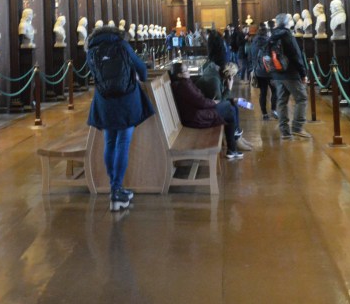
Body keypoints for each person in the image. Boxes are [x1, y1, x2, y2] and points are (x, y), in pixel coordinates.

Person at [86, 24, 154, 211]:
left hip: (104, 101)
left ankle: (115, 188)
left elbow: (94, 74)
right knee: (123, 142)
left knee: (110, 142)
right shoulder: (121, 44)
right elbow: (141, 68)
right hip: (126, 100)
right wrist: (141, 78)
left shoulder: (91, 49)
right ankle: (117, 190)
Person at [169, 62, 246, 160]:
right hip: (195, 118)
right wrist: (214, 102)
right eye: (186, 71)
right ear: (179, 75)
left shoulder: (184, 83)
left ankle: (234, 145)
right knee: (230, 111)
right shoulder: (185, 85)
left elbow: (199, 100)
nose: (189, 72)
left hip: (195, 113)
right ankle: (233, 146)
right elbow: (201, 102)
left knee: (230, 107)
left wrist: (219, 101)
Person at [192, 60, 251, 152]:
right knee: (230, 110)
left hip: (205, 105)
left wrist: (234, 99)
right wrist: (229, 88)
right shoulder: (214, 81)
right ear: (229, 76)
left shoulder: (217, 75)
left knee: (234, 105)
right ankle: (235, 142)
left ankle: (238, 137)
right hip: (201, 111)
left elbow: (219, 99)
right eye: (233, 76)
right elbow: (220, 102)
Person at [269, 13, 310, 140]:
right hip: (290, 73)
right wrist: (303, 73)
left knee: (282, 101)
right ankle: (297, 127)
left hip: (277, 73)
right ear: (287, 23)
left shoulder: (272, 35)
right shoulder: (287, 35)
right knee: (301, 98)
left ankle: (285, 132)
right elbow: (295, 55)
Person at [247, 23, 278, 121]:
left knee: (263, 92)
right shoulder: (269, 42)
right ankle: (273, 110)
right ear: (266, 33)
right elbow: (273, 57)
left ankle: (264, 113)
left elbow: (250, 57)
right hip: (270, 72)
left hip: (258, 71)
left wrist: (254, 68)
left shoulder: (253, 43)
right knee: (275, 91)